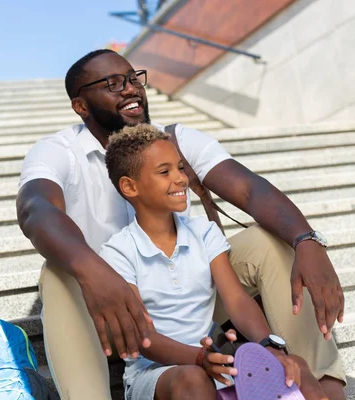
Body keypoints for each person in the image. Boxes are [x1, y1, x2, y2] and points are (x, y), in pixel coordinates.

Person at [16, 49, 346, 400]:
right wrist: (93, 270)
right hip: (108, 307)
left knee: (271, 241)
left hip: (188, 294)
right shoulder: (58, 150)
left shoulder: (170, 141)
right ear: (81, 106)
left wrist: (307, 240)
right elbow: (35, 208)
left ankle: (312, 382)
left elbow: (248, 188)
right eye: (112, 84)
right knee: (57, 272)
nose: (130, 89)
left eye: (132, 79)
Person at [98, 123, 328, 400]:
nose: (180, 178)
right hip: (156, 375)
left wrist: (269, 347)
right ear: (129, 186)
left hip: (213, 361)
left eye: (180, 168)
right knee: (193, 380)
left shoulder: (204, 232)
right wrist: (198, 358)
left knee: (296, 367)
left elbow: (237, 300)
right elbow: (141, 336)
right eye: (164, 172)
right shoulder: (118, 252)